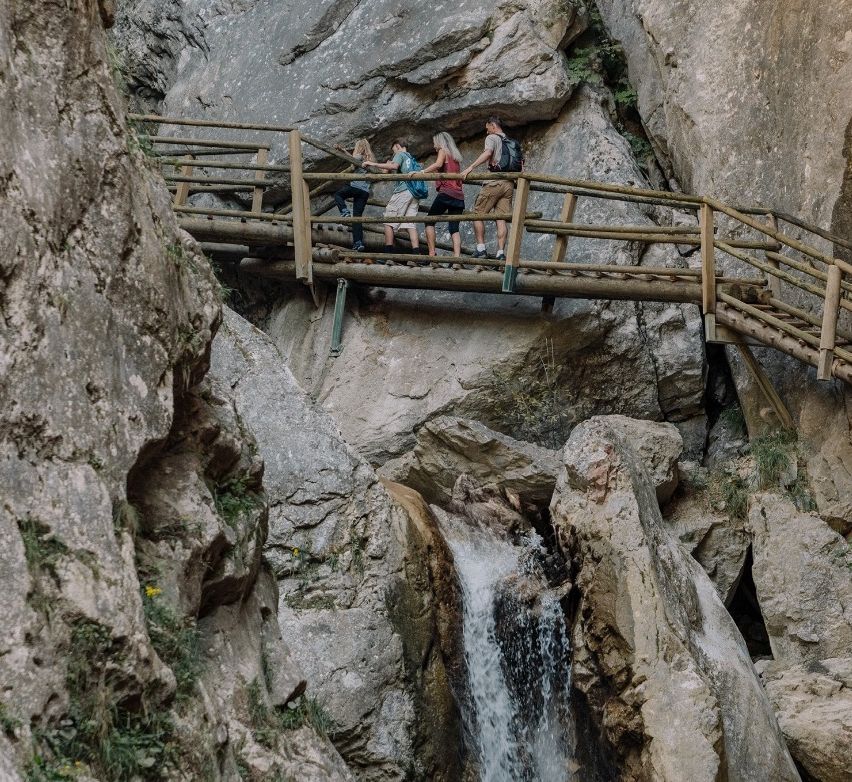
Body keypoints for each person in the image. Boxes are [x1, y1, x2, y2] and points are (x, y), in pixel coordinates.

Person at [461, 116, 514, 260]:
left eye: (487, 129)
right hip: (509, 184)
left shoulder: (492, 138)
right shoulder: (510, 141)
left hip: (494, 182)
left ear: (493, 125)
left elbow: (488, 153)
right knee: (501, 218)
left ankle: (481, 248)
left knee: (478, 213)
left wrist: (470, 168)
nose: (487, 132)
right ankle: (500, 253)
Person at [363, 139, 422, 255]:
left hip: (403, 191)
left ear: (398, 146)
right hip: (414, 193)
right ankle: (416, 254)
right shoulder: (410, 157)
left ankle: (388, 253)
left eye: (393, 150)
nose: (394, 153)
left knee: (388, 219)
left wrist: (373, 163)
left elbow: (394, 166)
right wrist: (387, 166)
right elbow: (388, 171)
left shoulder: (400, 154)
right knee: (409, 223)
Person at [414, 132, 465, 257]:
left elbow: (438, 164)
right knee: (454, 228)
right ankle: (456, 259)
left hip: (446, 193)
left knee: (429, 221)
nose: (433, 145)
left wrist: (422, 172)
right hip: (458, 195)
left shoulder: (443, 150)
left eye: (434, 142)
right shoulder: (455, 156)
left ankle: (432, 254)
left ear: (439, 141)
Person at [333, 139, 375, 252]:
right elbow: (352, 159)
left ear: (359, 148)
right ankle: (358, 243)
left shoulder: (360, 156)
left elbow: (352, 159)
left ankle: (344, 211)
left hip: (355, 186)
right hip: (365, 192)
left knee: (338, 195)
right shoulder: (370, 160)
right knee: (357, 218)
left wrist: (343, 152)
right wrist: (344, 150)